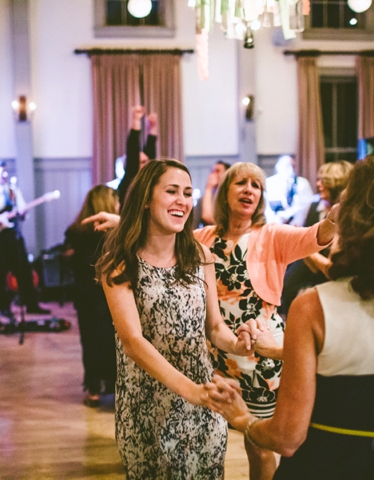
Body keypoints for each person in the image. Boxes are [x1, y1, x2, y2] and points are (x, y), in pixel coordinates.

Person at [207, 156, 374, 480]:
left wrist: (242, 418)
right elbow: (364, 358)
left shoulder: (315, 307)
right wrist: (276, 349)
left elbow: (286, 438)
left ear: (359, 223)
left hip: (322, 468)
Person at [96, 159, 264, 479]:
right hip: (147, 408)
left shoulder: (199, 256)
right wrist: (191, 391)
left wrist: (240, 344)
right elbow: (132, 342)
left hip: (203, 404)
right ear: (146, 199)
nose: (183, 201)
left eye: (188, 193)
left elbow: (214, 328)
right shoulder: (118, 263)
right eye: (171, 191)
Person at [193, 161, 337, 480]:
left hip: (260, 355)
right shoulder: (203, 237)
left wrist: (335, 217)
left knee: (258, 443)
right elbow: (162, 236)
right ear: (225, 192)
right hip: (215, 355)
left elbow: (316, 235)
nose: (249, 189)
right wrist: (122, 220)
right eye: (241, 183)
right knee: (206, 439)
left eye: (256, 185)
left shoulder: (271, 235)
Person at [0, 161, 49, 328]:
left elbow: (20, 209)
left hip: (14, 235)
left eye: (6, 172)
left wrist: (23, 212)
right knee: (0, 273)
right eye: (1, 172)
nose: (5, 175)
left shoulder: (12, 190)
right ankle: (4, 306)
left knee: (24, 269)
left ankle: (31, 303)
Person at [64, 185, 119, 407]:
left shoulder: (75, 231)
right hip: (112, 292)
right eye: (116, 201)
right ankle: (116, 386)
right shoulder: (115, 233)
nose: (119, 206)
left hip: (85, 293)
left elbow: (69, 262)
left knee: (90, 341)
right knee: (114, 341)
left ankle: (94, 389)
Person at [280, 160, 353, 316]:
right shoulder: (313, 207)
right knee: (287, 285)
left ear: (338, 185)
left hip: (332, 272)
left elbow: (334, 267)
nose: (318, 184)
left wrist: (307, 249)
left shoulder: (348, 215)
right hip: (310, 265)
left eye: (324, 181)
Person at [117, 105, 157, 205]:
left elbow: (151, 154)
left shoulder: (150, 180)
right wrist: (136, 120)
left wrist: (152, 128)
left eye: (146, 161)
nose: (146, 164)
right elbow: (132, 148)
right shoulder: (129, 179)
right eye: (142, 162)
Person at [265, 155, 313, 227]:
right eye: (287, 166)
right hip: (274, 226)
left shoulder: (302, 183)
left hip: (297, 226)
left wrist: (295, 222)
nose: (290, 169)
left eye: (293, 166)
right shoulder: (269, 183)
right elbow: (266, 207)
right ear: (278, 167)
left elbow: (307, 205)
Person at [199, 160, 231, 226]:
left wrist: (208, 187)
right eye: (213, 171)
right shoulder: (207, 198)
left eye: (217, 171)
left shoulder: (231, 197)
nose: (213, 174)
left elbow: (208, 217)